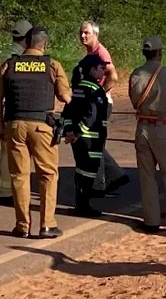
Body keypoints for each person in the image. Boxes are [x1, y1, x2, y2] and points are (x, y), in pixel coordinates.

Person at [0, 26, 72, 238]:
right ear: (45, 44)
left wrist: (1, 126)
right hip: (41, 126)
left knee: (19, 176)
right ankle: (47, 224)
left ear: (26, 43)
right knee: (48, 175)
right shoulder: (52, 65)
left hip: (14, 125)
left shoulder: (8, 65)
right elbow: (65, 98)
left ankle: (22, 226)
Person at [129, 36, 166, 233]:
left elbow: (133, 99)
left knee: (147, 177)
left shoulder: (136, 74)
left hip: (142, 128)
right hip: (163, 127)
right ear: (160, 52)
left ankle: (151, 221)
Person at [79, 21, 129, 196]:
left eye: (86, 33)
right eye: (81, 33)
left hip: (100, 104)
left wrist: (99, 93)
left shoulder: (101, 52)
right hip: (94, 103)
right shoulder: (91, 52)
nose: (83, 36)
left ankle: (99, 184)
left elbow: (113, 76)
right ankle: (113, 176)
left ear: (95, 34)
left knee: (92, 142)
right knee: (92, 141)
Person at [61, 54, 109, 218]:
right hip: (91, 139)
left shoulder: (78, 87)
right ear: (93, 69)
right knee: (88, 171)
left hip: (79, 139)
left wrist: (69, 131)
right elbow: (91, 115)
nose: (104, 71)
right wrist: (76, 132)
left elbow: (68, 111)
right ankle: (83, 207)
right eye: (101, 68)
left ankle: (81, 204)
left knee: (81, 170)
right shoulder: (94, 89)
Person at [0, 19, 32, 206]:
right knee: (8, 153)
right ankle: (6, 192)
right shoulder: (17, 58)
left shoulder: (3, 53)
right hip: (8, 109)